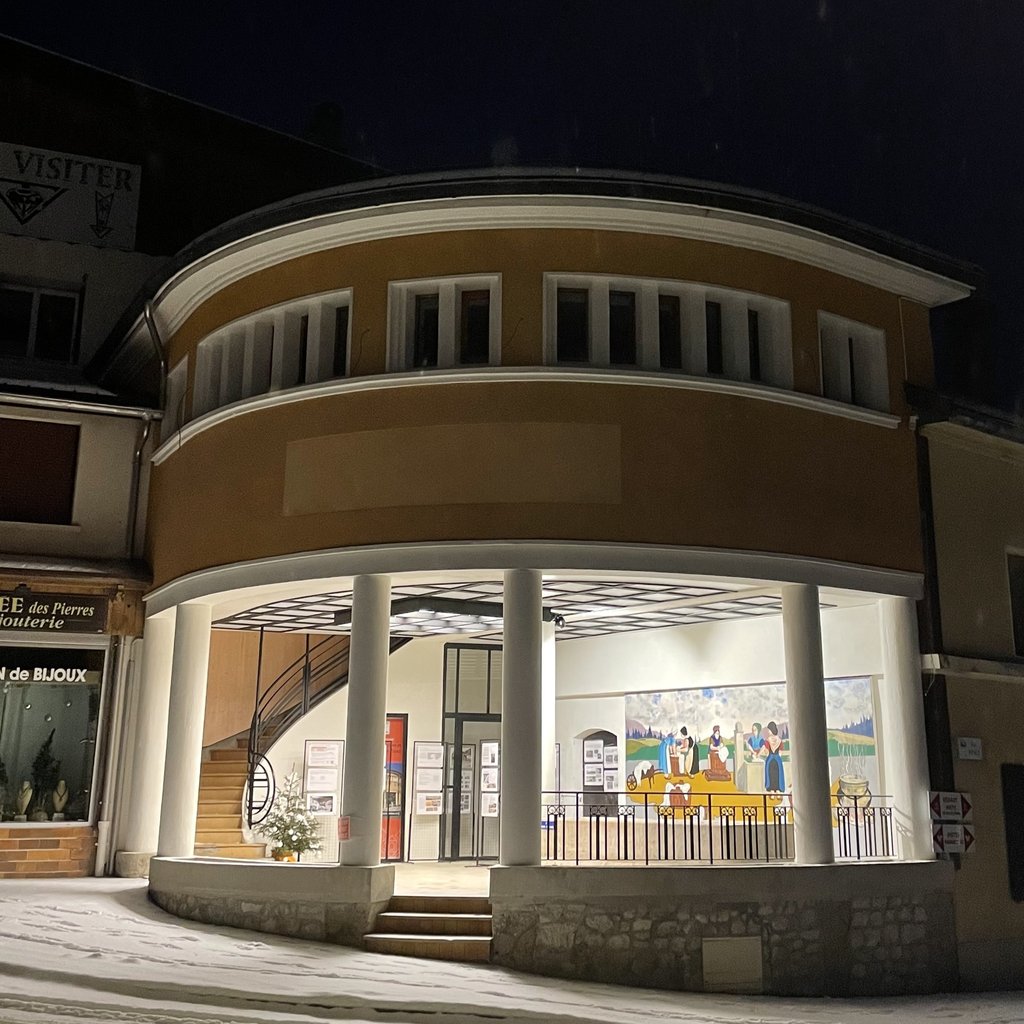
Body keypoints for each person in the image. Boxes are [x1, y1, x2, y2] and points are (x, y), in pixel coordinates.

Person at [763, 720, 785, 793]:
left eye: (769, 730)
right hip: (777, 760)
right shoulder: (779, 740)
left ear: (771, 730)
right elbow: (781, 752)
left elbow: (766, 752)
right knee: (777, 774)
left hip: (770, 759)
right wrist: (777, 756)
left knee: (771, 774)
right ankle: (778, 790)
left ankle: (772, 789)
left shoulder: (767, 740)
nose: (768, 731)